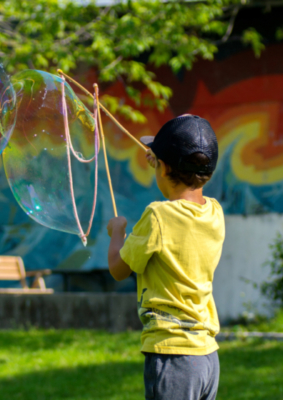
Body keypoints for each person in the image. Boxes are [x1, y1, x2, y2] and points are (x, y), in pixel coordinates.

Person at [106, 114, 225, 400]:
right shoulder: (214, 211)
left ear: (165, 167)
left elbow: (118, 269)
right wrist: (164, 164)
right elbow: (189, 181)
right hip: (207, 357)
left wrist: (117, 231)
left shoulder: (158, 216)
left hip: (174, 356)